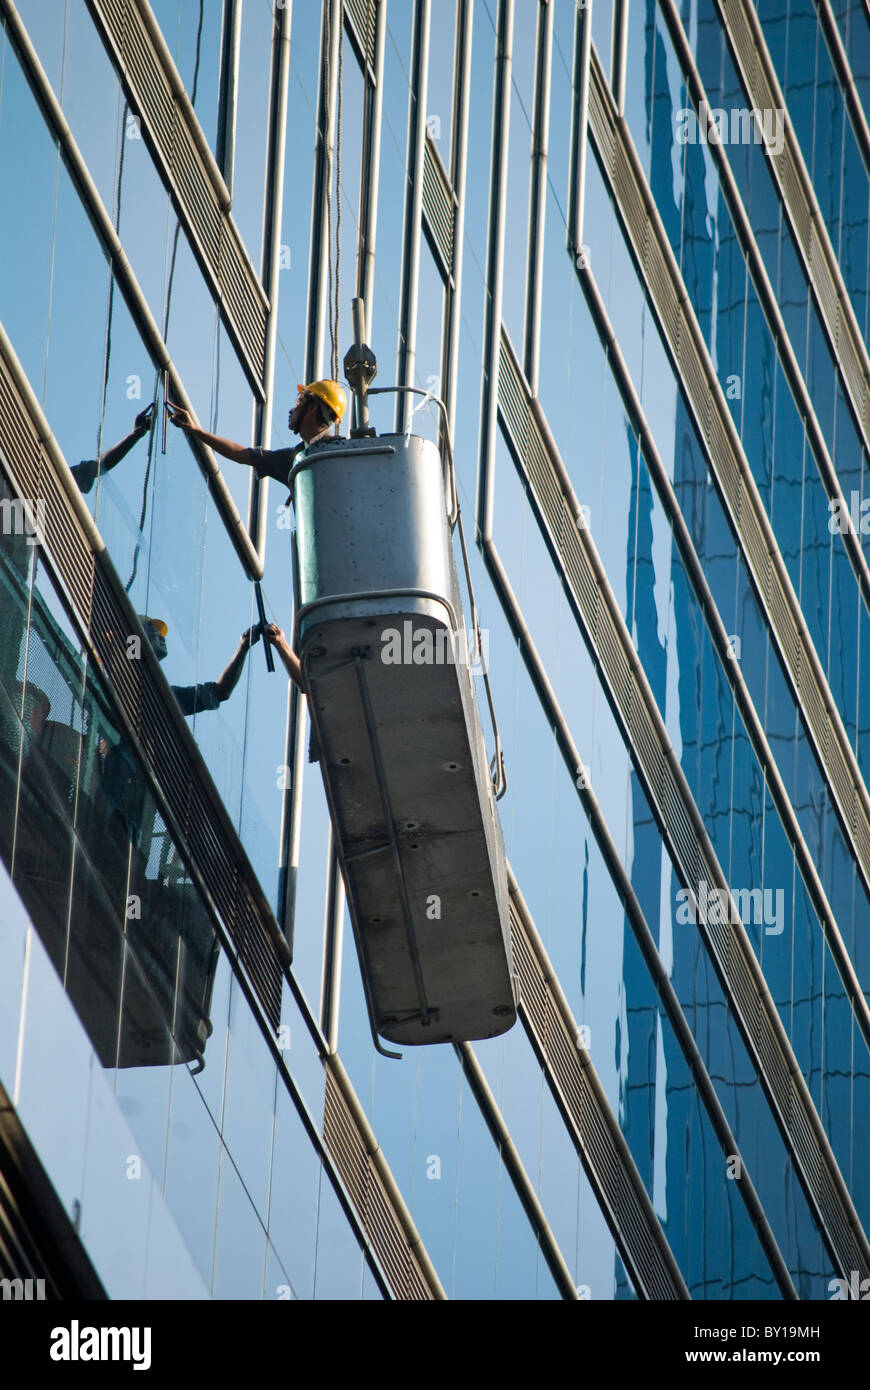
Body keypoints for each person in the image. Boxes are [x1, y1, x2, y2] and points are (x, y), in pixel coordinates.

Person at [166, 380, 346, 497]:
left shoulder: (341, 453)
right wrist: (195, 430)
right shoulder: (294, 459)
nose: (292, 410)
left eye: (299, 402)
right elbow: (240, 454)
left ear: (313, 408)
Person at [139, 616, 263, 716]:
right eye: (153, 630)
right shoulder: (122, 673)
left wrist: (244, 645)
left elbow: (218, 693)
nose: (162, 638)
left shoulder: (162, 693)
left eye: (162, 634)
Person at [71, 405, 155, 494]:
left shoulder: (62, 474)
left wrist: (135, 434)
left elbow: (98, 467)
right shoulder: (59, 479)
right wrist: (135, 435)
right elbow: (98, 467)